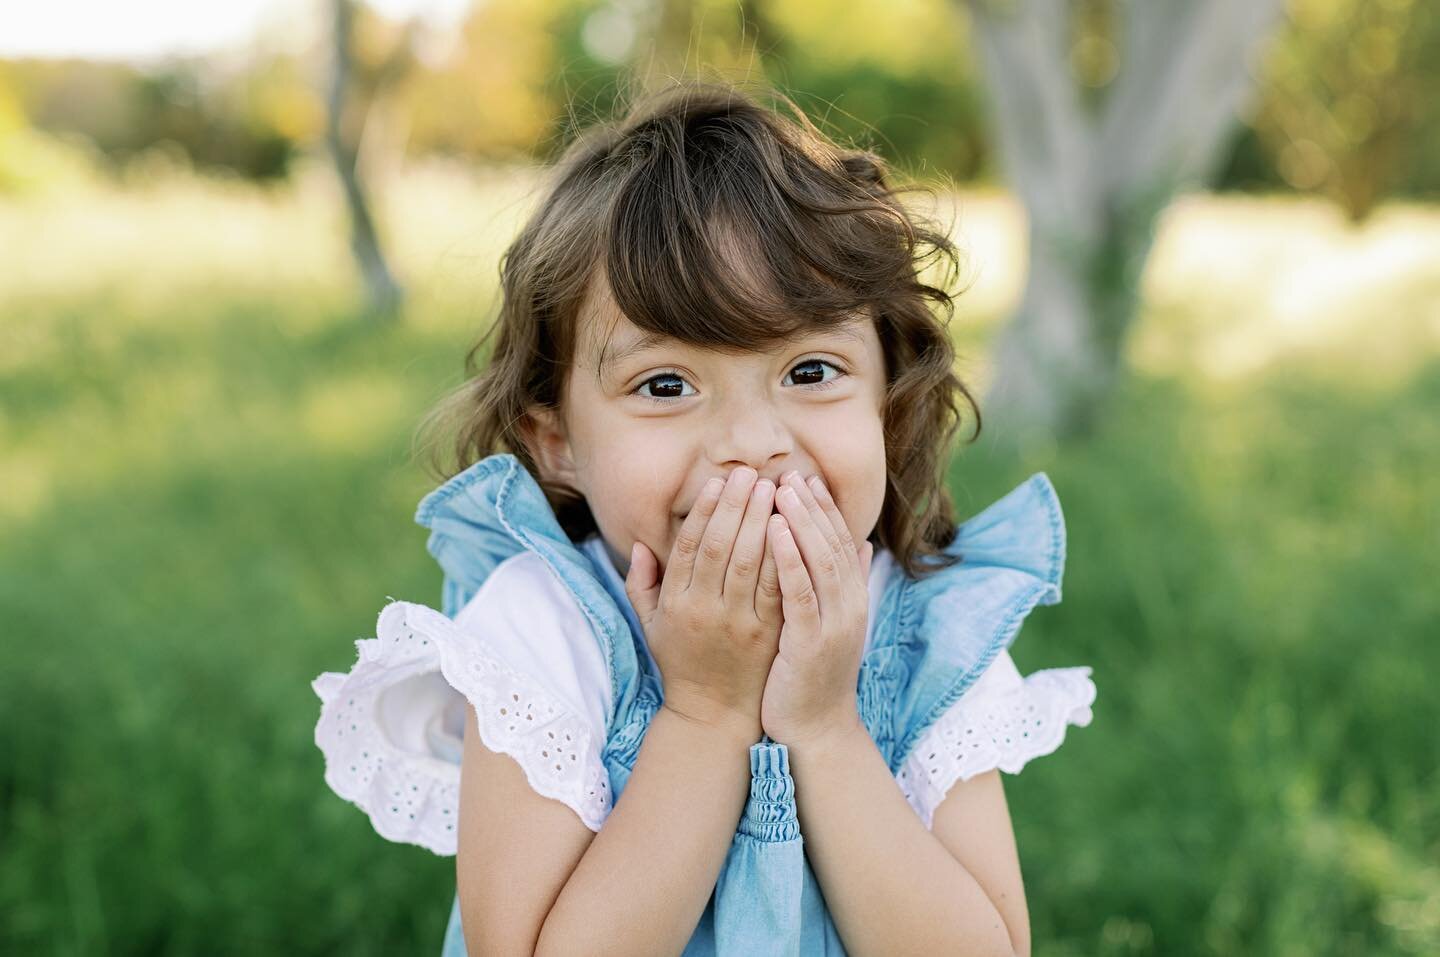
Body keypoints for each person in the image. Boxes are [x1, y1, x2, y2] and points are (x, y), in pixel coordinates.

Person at [312, 78, 1096, 957]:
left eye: (809, 372)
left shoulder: (926, 633)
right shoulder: (545, 631)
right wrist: (706, 716)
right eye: (666, 385)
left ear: (887, 401)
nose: (752, 444)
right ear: (558, 441)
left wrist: (827, 727)